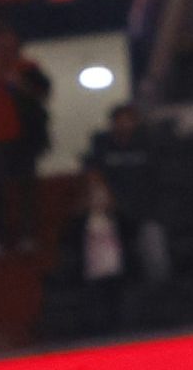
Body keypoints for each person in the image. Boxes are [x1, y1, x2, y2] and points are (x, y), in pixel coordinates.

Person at [0, 30, 50, 252]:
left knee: (26, 186)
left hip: (25, 135)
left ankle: (27, 234)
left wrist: (18, 83)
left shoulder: (28, 67)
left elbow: (42, 92)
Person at [86, 105, 171, 284]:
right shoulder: (102, 143)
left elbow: (157, 175)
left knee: (155, 258)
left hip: (146, 209)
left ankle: (160, 295)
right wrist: (107, 197)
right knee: (116, 262)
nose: (124, 125)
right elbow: (94, 171)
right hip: (114, 212)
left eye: (128, 120)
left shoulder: (148, 142)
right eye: (120, 120)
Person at [68, 167, 128, 336]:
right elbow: (74, 249)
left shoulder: (118, 220)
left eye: (101, 192)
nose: (98, 198)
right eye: (93, 194)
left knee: (115, 304)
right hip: (92, 273)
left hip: (115, 270)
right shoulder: (79, 224)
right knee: (97, 307)